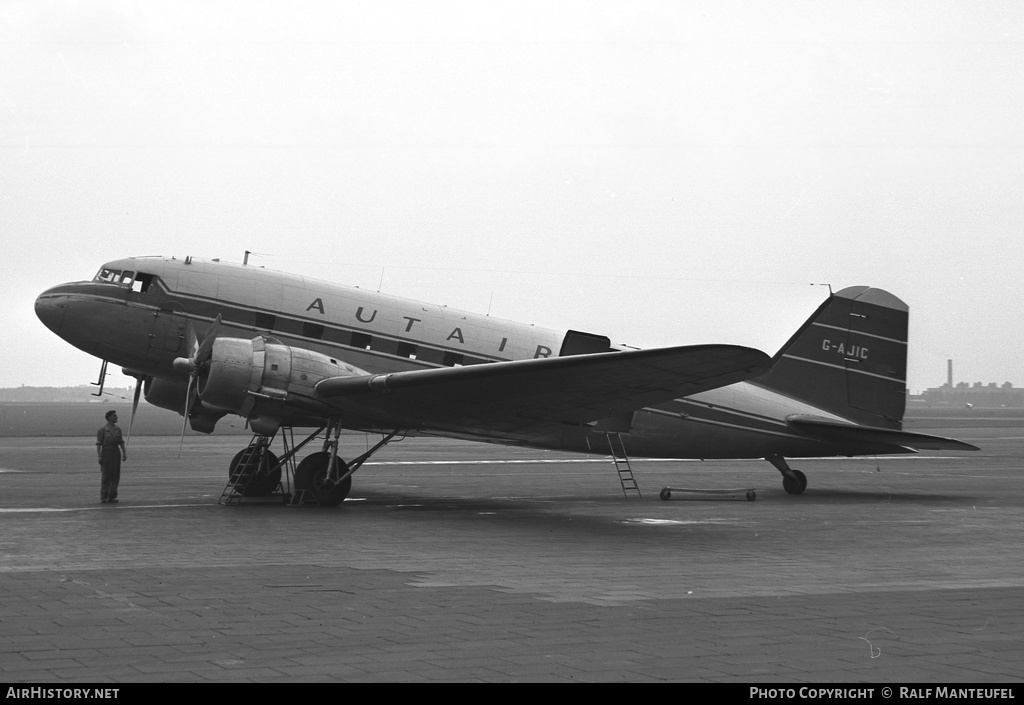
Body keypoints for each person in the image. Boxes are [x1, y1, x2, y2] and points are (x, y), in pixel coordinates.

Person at [96, 410, 127, 503]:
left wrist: (124, 452)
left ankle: (112, 496)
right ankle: (103, 496)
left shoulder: (118, 429)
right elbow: (99, 444)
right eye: (114, 416)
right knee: (106, 475)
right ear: (109, 417)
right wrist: (99, 456)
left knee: (115, 475)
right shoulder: (102, 430)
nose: (116, 417)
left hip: (116, 452)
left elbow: (121, 441)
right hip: (106, 452)